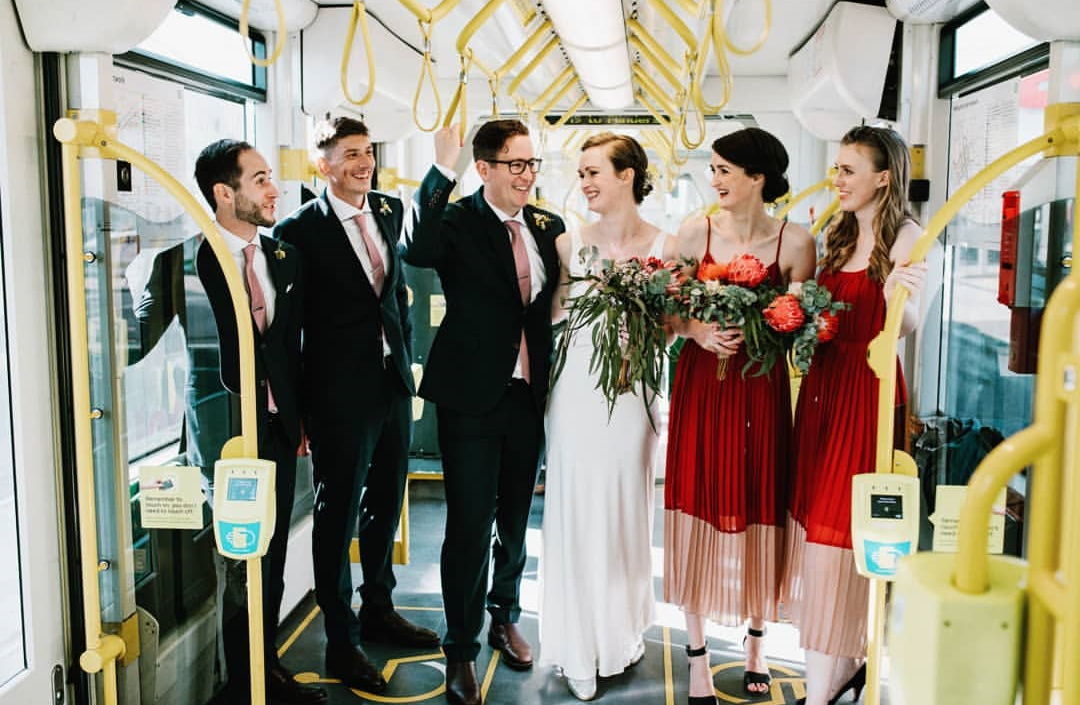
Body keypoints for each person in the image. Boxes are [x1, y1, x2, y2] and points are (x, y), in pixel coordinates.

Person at [274, 116, 439, 695]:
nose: (363, 162)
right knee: (337, 515)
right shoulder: (297, 231)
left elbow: (395, 295)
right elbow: (289, 330)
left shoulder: (389, 210)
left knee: (386, 504)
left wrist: (405, 360)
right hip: (336, 396)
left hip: (391, 384)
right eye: (350, 154)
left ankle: (379, 610)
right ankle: (341, 641)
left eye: (367, 151)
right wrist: (299, 413)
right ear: (323, 165)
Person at [403, 120, 565, 705]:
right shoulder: (454, 219)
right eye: (516, 165)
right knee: (469, 527)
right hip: (471, 398)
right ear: (484, 168)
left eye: (532, 164)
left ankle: (505, 616)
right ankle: (460, 651)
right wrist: (439, 170)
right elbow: (416, 250)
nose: (527, 175)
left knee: (517, 520)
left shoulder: (548, 226)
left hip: (528, 396)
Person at [664, 128, 816, 704]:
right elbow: (667, 313)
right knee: (697, 497)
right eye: (713, 169)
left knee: (759, 499)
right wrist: (698, 331)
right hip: (702, 387)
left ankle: (757, 644)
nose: (715, 180)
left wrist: (773, 328)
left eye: (724, 169)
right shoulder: (693, 233)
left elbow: (799, 325)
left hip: (761, 391)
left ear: (758, 177)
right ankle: (697, 654)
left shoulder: (796, 242)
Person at [781, 125, 928, 705]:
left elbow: (908, 326)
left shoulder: (911, 236)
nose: (836, 179)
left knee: (840, 537)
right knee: (821, 535)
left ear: (883, 177)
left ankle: (824, 688)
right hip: (823, 388)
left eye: (848, 170)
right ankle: (839, 667)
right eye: (836, 168)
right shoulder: (838, 234)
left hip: (868, 395)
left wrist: (894, 297)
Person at [192, 139, 327, 705]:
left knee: (269, 553)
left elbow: (293, 348)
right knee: (238, 555)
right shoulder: (188, 260)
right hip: (226, 433)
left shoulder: (284, 257)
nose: (275, 191)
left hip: (278, 427)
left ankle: (264, 666)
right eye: (261, 180)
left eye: (271, 177)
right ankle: (242, 681)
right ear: (224, 194)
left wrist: (301, 420)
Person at [539, 132, 672, 701]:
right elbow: (553, 316)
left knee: (623, 507)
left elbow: (672, 326)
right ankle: (578, 648)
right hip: (575, 393)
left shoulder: (667, 246)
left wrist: (639, 334)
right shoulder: (568, 244)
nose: (585, 183)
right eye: (581, 173)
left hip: (633, 394)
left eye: (594, 172)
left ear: (627, 175)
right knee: (576, 507)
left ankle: (618, 632)